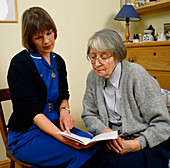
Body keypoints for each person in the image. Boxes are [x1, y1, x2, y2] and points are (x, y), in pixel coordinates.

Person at [7, 7, 100, 168]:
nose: (47, 41)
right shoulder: (19, 64)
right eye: (38, 37)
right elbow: (33, 113)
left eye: (49, 33)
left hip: (56, 126)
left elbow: (64, 94)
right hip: (26, 135)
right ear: (30, 39)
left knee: (96, 147)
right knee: (78, 155)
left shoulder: (59, 61)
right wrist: (66, 140)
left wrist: (64, 111)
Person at [82, 28, 170, 168]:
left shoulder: (136, 75)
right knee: (84, 161)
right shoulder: (93, 77)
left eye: (103, 57)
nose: (96, 63)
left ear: (117, 56)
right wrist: (105, 131)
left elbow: (163, 124)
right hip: (113, 142)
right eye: (93, 57)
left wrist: (137, 143)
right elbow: (89, 114)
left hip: (147, 142)